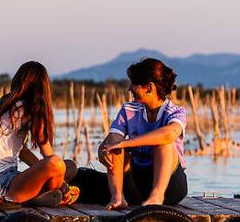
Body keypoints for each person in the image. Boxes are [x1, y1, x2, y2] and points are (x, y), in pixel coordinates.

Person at [79, 57, 190, 209]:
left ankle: (156, 196)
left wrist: (126, 143)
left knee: (162, 143)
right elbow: (113, 139)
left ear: (149, 88)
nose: (129, 88)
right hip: (137, 183)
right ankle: (117, 197)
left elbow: (169, 134)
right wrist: (106, 148)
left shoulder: (175, 112)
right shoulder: (128, 110)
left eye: (134, 84)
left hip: (170, 185)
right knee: (115, 148)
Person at [0, 61, 79, 207]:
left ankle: (37, 197)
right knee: (57, 164)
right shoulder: (30, 108)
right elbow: (48, 154)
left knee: (70, 167)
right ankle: (37, 197)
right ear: (42, 88)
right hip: (2, 186)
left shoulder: (7, 103)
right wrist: (62, 184)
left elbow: (22, 151)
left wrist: (43, 171)